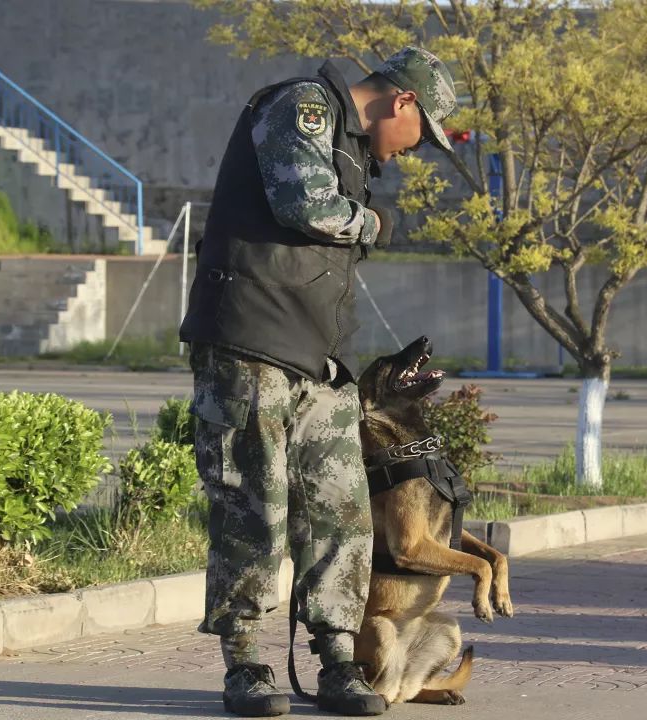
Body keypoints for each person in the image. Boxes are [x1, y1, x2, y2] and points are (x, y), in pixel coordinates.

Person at [179, 46, 457, 718]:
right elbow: (307, 204)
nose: (411, 152)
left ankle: (338, 660)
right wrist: (377, 224)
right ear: (402, 102)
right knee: (253, 509)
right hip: (249, 345)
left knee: (342, 515)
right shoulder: (302, 107)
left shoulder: (354, 146)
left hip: (318, 359)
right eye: (420, 135)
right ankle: (247, 662)